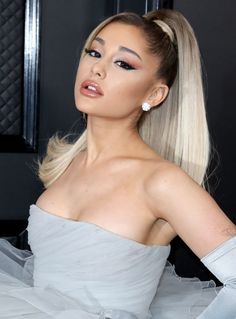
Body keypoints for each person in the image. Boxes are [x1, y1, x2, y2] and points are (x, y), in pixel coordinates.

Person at [0, 8, 235, 319]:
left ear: (155, 93)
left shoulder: (161, 181)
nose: (97, 68)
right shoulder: (68, 163)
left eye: (123, 63)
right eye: (94, 51)